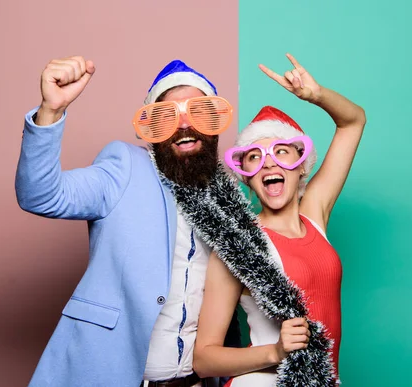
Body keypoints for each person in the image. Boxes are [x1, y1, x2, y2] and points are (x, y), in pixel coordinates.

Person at [15, 55, 242, 387]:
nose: (183, 125)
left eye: (199, 112)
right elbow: (40, 194)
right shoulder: (124, 167)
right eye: (166, 117)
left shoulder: (229, 194)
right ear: (151, 129)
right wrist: (51, 111)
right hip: (115, 375)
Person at [192, 53, 367, 386]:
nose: (268, 164)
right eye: (255, 158)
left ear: (302, 165)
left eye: (281, 153)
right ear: (247, 177)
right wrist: (275, 351)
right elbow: (204, 359)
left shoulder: (314, 214)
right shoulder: (240, 245)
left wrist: (317, 96)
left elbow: (354, 121)